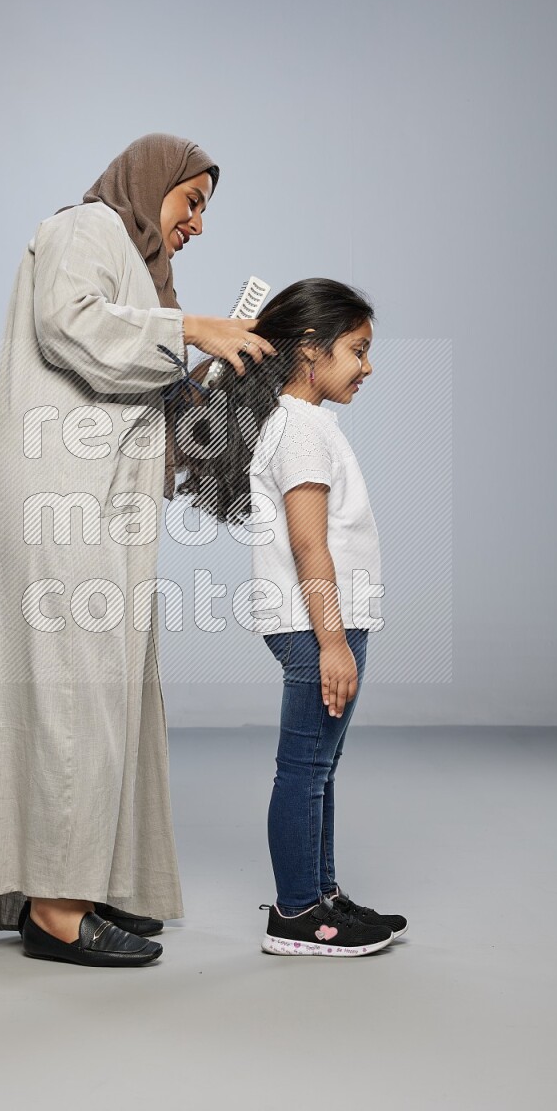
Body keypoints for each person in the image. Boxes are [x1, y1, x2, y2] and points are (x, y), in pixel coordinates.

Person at [0, 133, 276, 968]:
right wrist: (190, 327)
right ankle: (56, 910)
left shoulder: (140, 274)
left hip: (94, 504)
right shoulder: (87, 227)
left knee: (102, 693)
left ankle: (80, 882)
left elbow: (129, 387)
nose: (194, 224)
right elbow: (68, 325)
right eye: (190, 202)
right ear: (150, 183)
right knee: (75, 693)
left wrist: (216, 380)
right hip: (57, 500)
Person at [175, 278, 408, 957]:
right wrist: (333, 640)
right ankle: (298, 913)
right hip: (317, 627)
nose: (368, 366)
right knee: (305, 768)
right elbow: (310, 544)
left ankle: (321, 894)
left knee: (319, 768)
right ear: (311, 350)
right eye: (358, 350)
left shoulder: (306, 425)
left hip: (323, 624)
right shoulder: (301, 433)